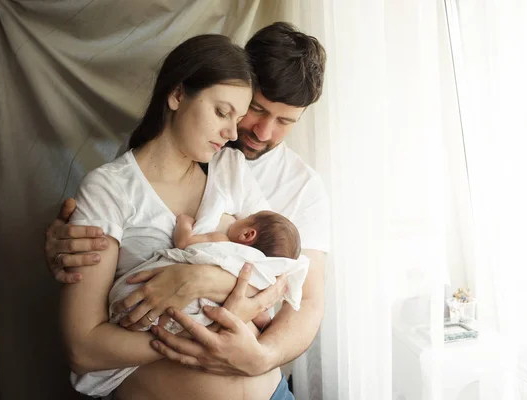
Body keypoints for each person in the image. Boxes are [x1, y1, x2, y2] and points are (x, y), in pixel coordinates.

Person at [46, 22, 328, 400]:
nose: (258, 131)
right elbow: (84, 339)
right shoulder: (124, 179)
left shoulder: (272, 179)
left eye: (284, 122)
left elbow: (297, 291)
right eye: (253, 110)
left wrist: (203, 285)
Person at [174, 210, 301, 259]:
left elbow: (184, 242)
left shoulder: (221, 240)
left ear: (246, 235)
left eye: (248, 217)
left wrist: (184, 221)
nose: (238, 218)